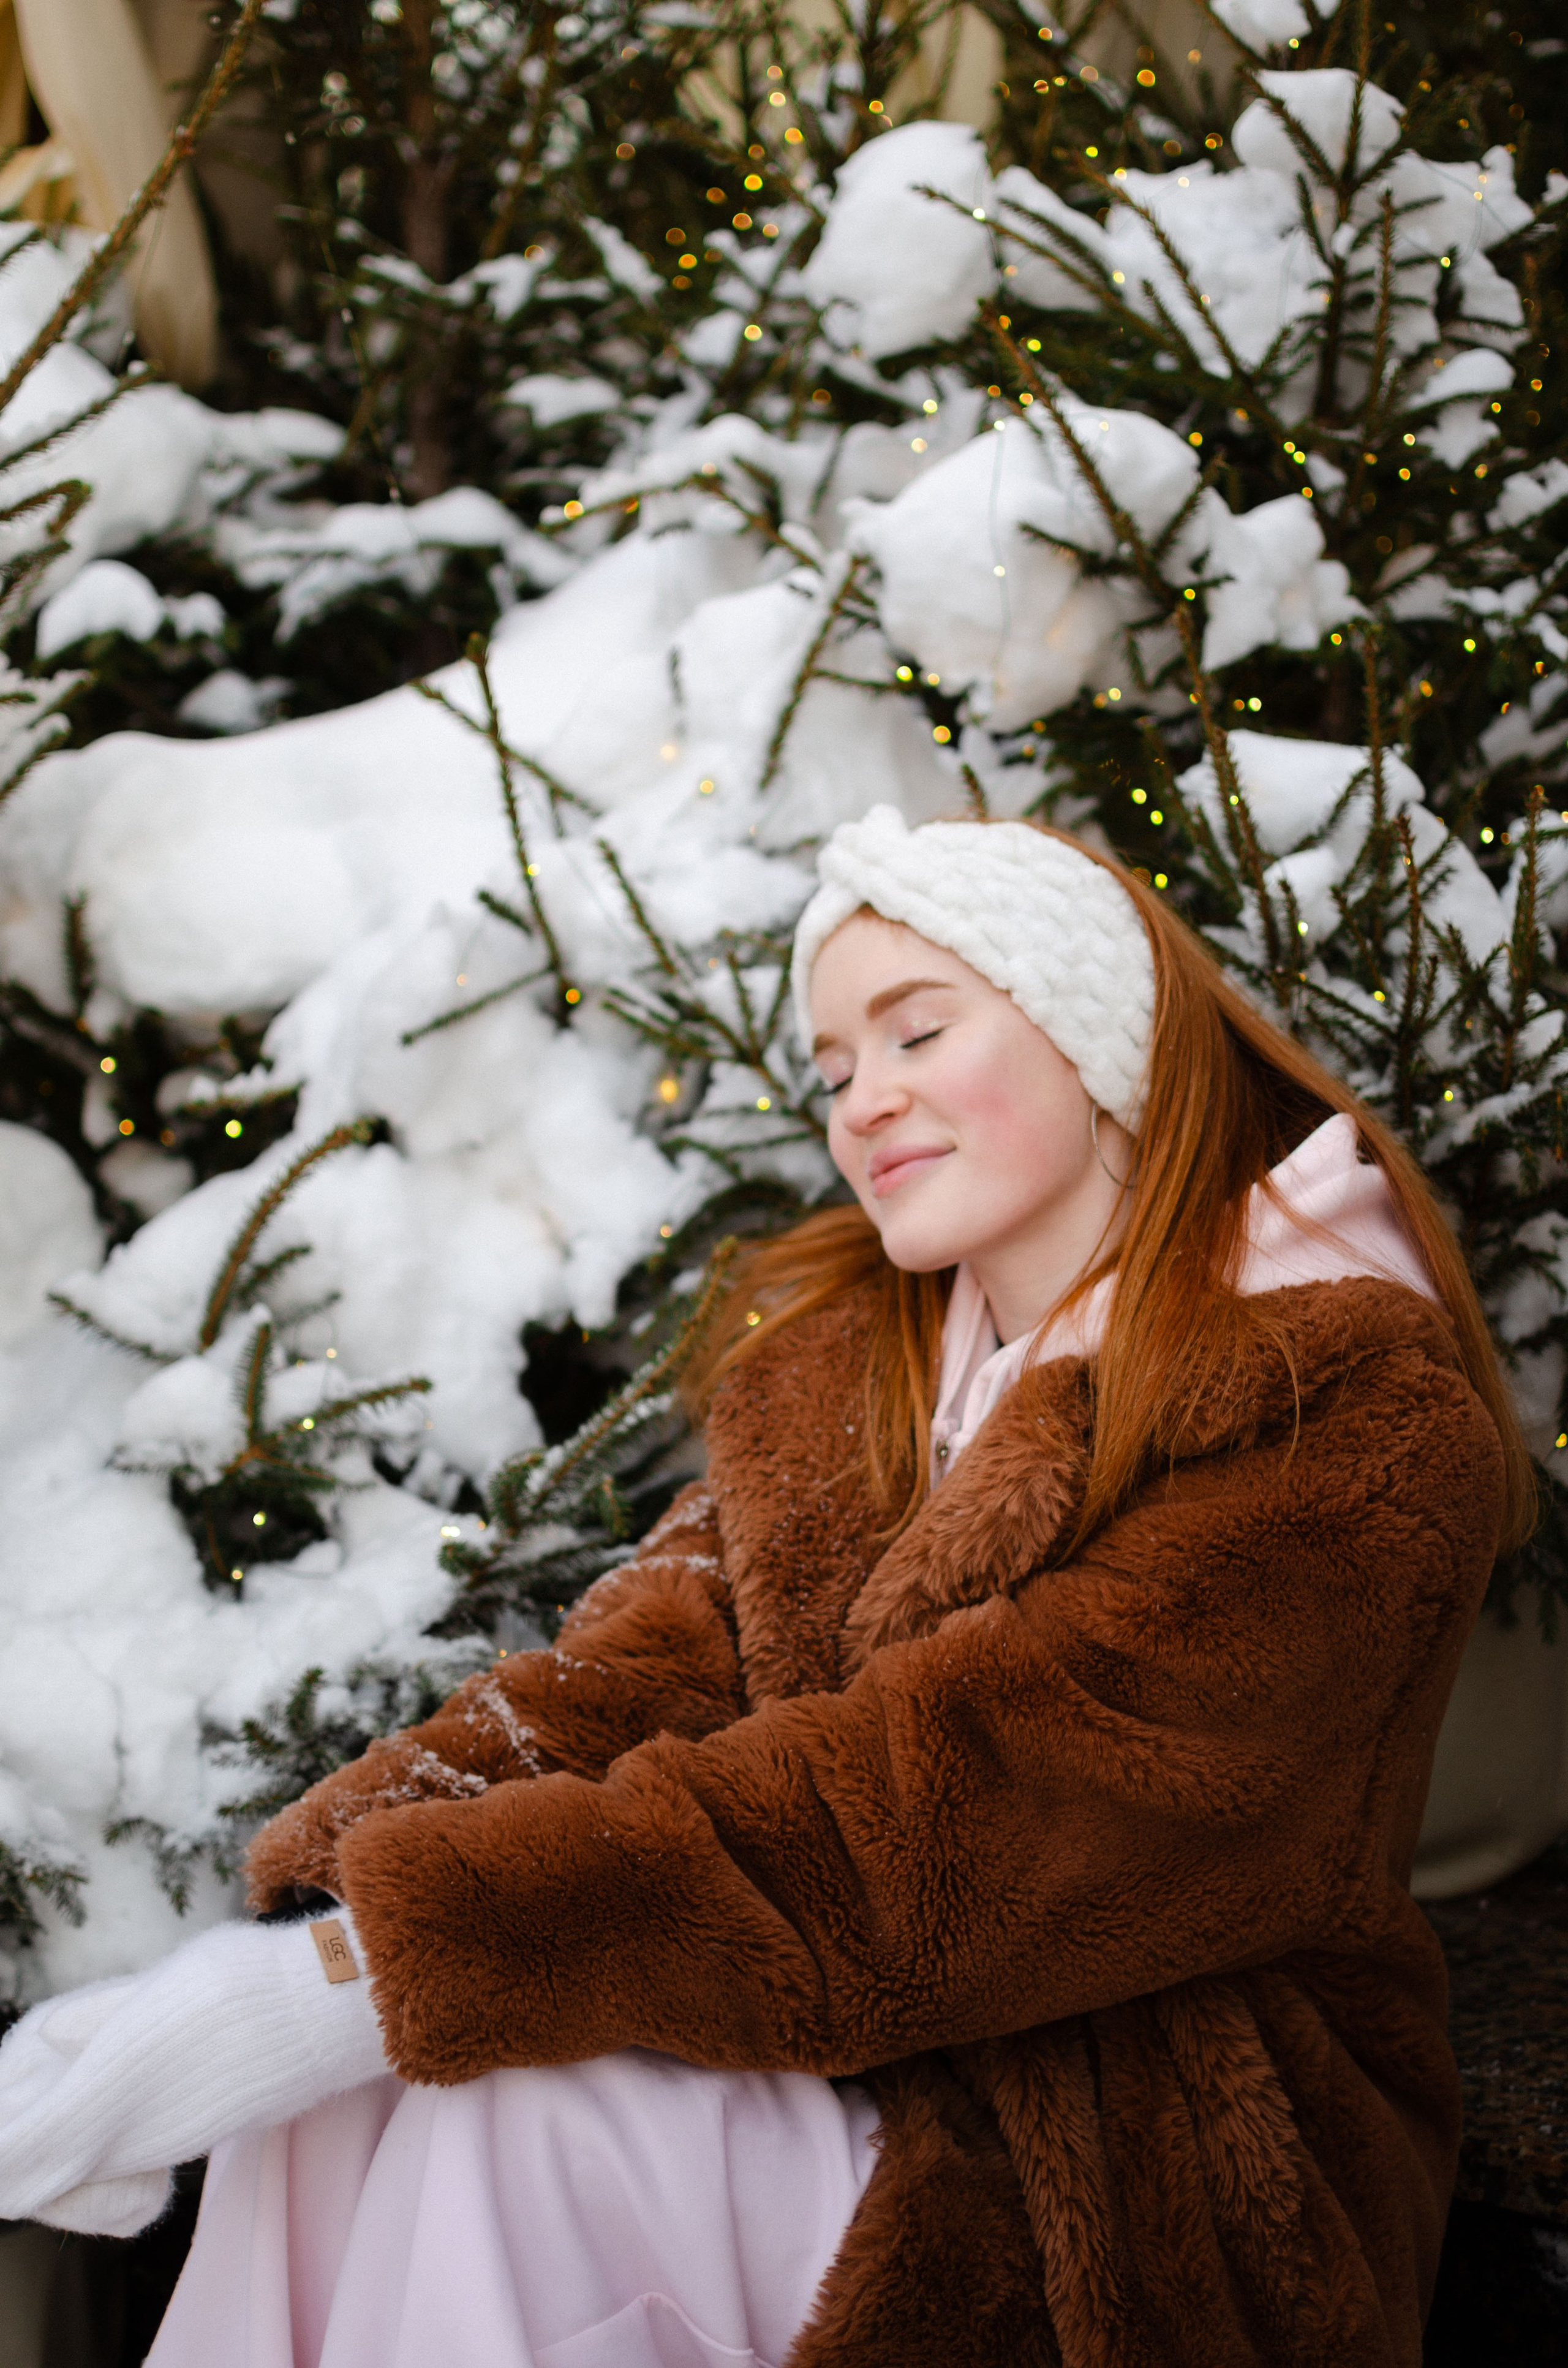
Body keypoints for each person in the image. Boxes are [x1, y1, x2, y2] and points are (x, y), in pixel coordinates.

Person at [0, 806, 1527, 2368]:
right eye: (832, 1067)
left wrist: (371, 1971)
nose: (865, 1099)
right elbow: (633, 1672)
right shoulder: (839, 1382)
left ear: (1102, 1036)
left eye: (918, 1029)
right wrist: (301, 1950)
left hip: (1150, 2152)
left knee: (530, 2117)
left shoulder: (1338, 1405)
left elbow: (956, 1822)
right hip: (837, 2050)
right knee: (340, 2093)